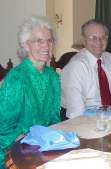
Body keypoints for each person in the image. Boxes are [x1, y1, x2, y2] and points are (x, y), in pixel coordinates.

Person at [0, 16, 61, 169]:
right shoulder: (17, 79)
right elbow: (2, 128)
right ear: (26, 46)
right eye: (39, 41)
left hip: (46, 148)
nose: (46, 46)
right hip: (15, 154)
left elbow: (55, 119)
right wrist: (22, 139)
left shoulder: (52, 77)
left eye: (49, 40)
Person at [61, 19, 111, 119]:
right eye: (93, 37)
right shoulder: (76, 67)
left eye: (103, 37)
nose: (99, 42)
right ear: (84, 40)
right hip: (81, 120)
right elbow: (76, 114)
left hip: (109, 116)